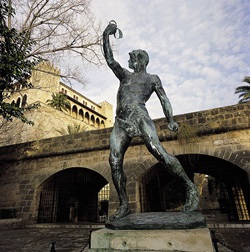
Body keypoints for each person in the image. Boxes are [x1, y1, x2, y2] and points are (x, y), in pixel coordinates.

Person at [103, 22, 199, 221]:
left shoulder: (153, 78)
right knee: (114, 161)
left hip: (140, 117)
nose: (128, 62)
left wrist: (170, 119)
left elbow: (164, 99)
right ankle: (124, 205)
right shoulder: (124, 76)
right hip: (121, 121)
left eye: (131, 58)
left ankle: (190, 186)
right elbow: (110, 59)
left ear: (138, 59)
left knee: (158, 151)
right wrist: (106, 35)